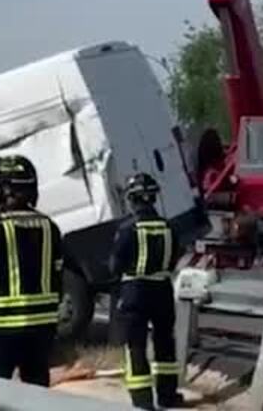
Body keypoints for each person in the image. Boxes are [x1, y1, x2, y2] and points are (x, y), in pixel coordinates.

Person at [0, 154, 64, 386]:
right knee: (37, 394)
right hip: (42, 329)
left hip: (1, 330)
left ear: (5, 188)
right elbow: (58, 279)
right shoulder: (50, 227)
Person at [112, 172, 181, 409]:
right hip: (162, 289)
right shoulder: (169, 227)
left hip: (135, 291)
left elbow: (115, 265)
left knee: (136, 346)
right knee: (164, 344)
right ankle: (168, 395)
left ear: (132, 200)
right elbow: (174, 259)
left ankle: (142, 401)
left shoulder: (127, 229)